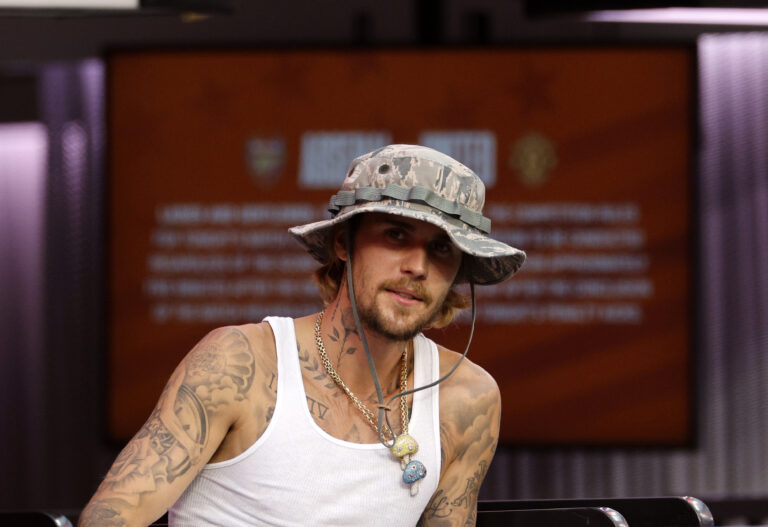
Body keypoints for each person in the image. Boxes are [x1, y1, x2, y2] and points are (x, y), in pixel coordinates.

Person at [79, 144, 526, 527]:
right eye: (396, 234)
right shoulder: (240, 363)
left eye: (442, 248)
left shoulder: (467, 398)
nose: (418, 267)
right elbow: (110, 517)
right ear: (342, 243)